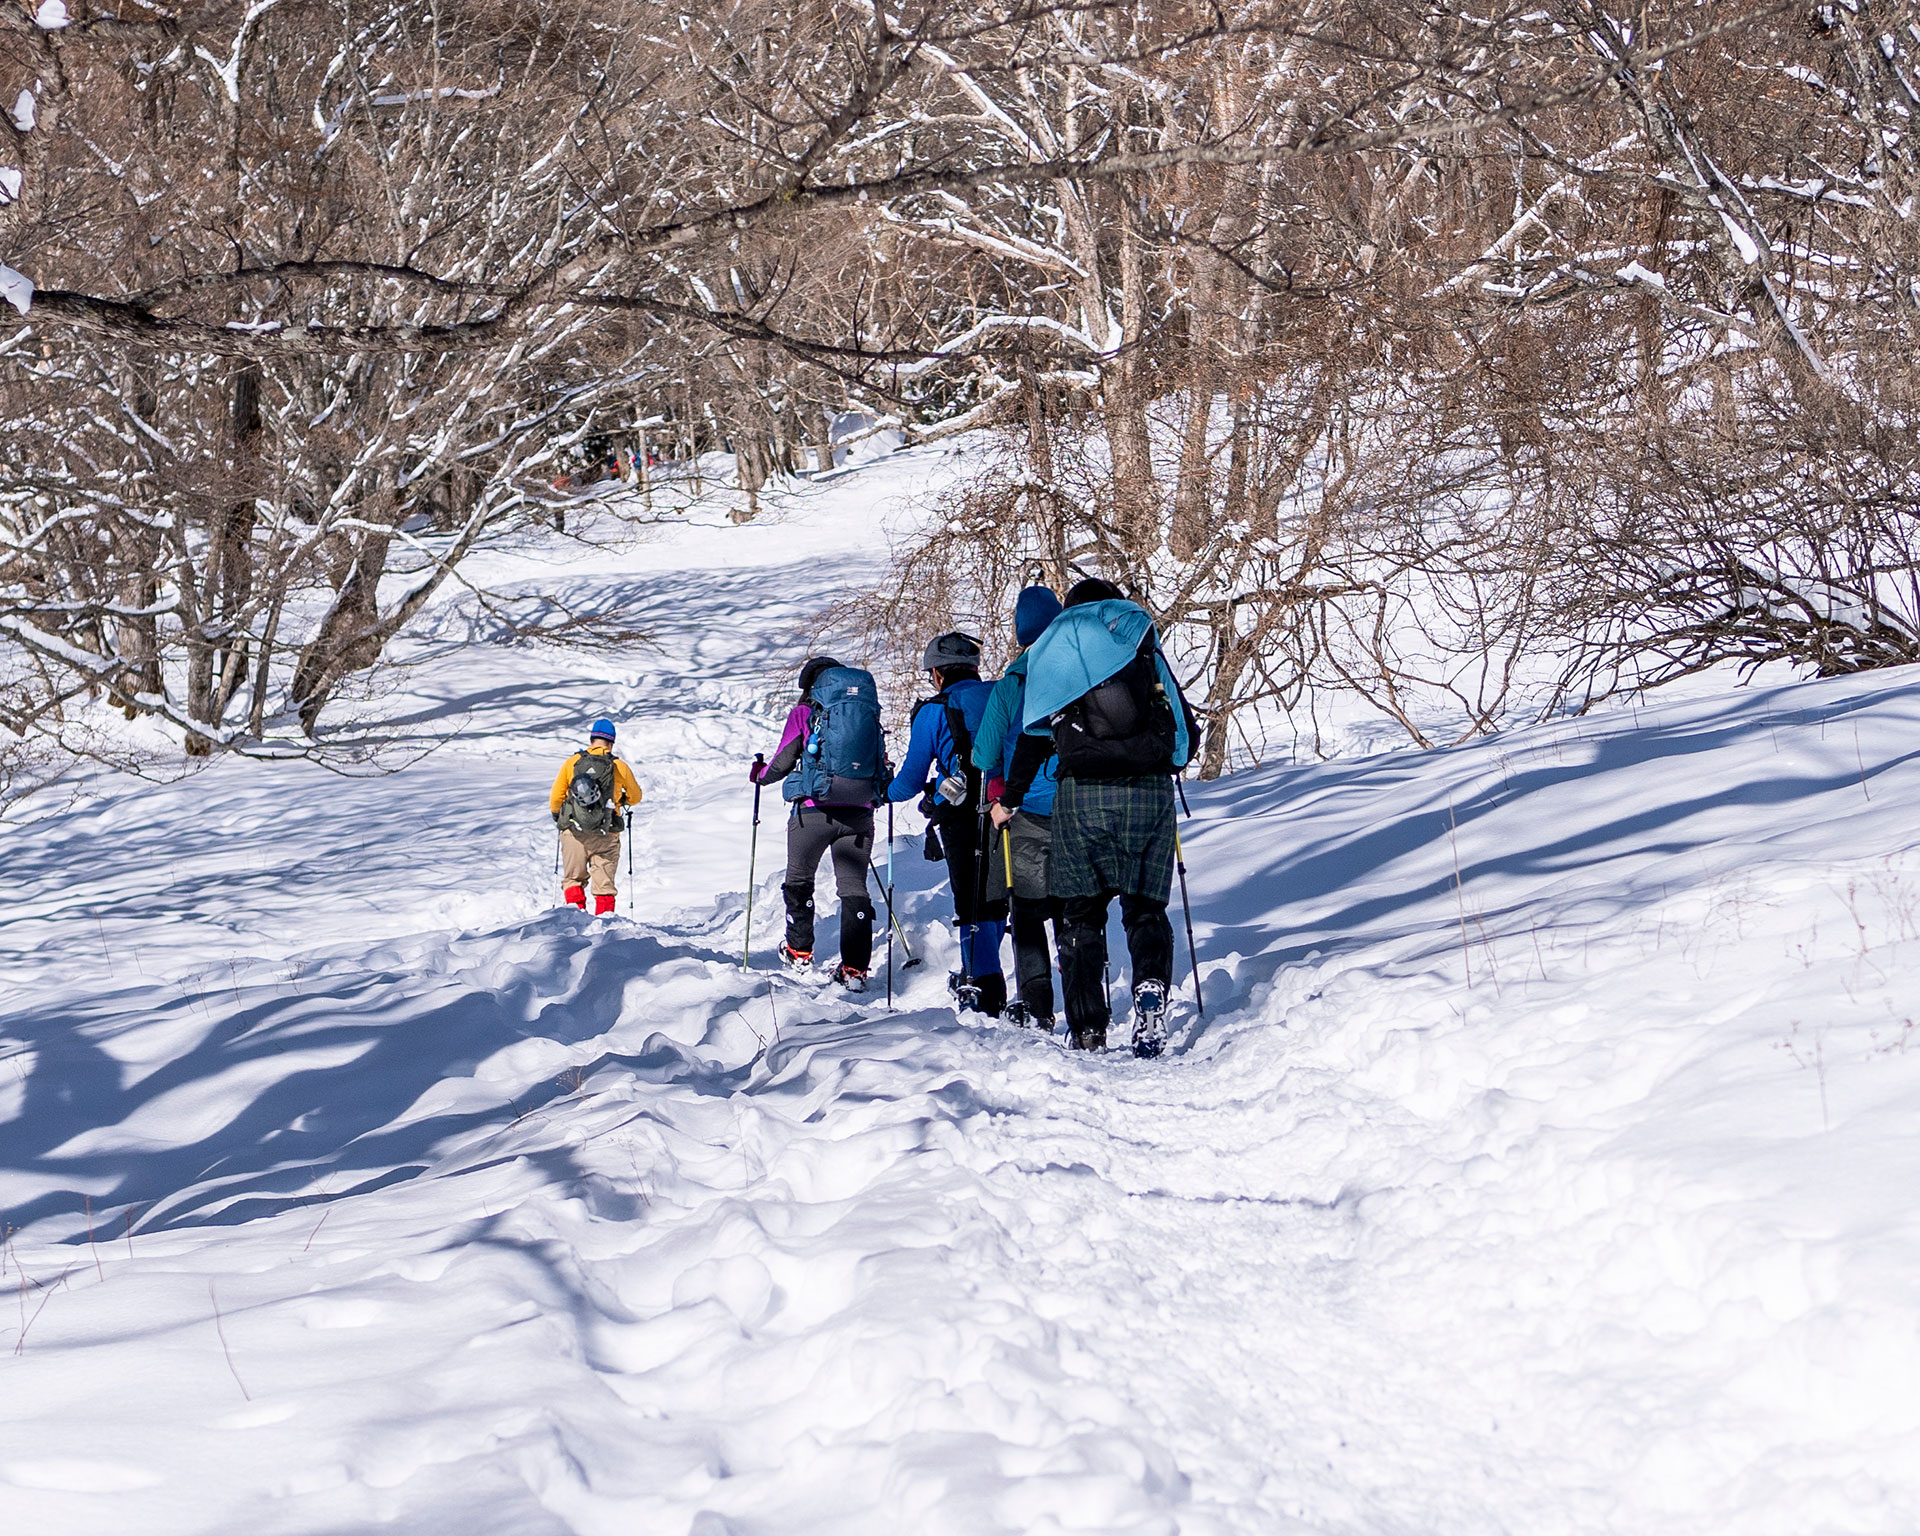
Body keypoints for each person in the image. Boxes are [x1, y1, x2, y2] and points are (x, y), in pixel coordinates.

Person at [994, 579, 1197, 1056]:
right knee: (1145, 908)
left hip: (1080, 795)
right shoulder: (1138, 637)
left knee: (1081, 913)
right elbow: (1182, 724)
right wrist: (1171, 762)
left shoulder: (1054, 646)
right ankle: (1149, 988)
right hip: (1148, 793)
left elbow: (1032, 735)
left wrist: (1013, 796)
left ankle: (1088, 1027)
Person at [886, 631, 1008, 1015]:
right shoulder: (1001, 696)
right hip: (1010, 806)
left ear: (937, 674)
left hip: (960, 815)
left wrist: (883, 791)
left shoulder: (933, 711)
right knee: (1000, 898)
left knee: (970, 900)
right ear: (973, 667)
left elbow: (907, 781)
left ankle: (984, 985)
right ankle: (1002, 982)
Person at [752, 656, 886, 990]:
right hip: (858, 813)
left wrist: (760, 775)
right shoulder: (865, 711)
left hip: (813, 811)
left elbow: (782, 761)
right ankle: (855, 970)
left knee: (799, 880)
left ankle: (799, 951)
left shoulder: (805, 713)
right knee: (854, 888)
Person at [973, 586, 1065, 1030]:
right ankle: (1089, 999)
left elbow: (983, 754)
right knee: (1074, 906)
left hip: (1022, 809)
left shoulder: (1012, 683)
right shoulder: (1078, 671)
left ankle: (1038, 1005)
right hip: (1076, 807)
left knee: (1026, 912)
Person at [549, 717, 643, 915]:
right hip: (607, 832)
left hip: (575, 832)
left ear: (592, 739)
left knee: (573, 880)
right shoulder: (619, 766)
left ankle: (575, 925)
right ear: (611, 742)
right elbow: (636, 796)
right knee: (604, 888)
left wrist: (559, 816)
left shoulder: (573, 762)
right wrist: (622, 800)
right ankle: (604, 930)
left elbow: (556, 797)